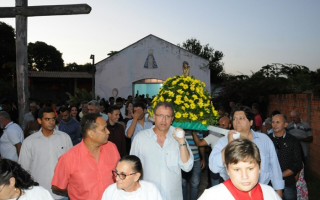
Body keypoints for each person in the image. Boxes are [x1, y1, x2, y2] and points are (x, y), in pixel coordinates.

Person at [209, 105, 284, 197]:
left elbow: (274, 167)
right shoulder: (223, 141)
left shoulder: (264, 140)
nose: (237, 122)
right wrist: (229, 145)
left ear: (251, 122)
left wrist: (279, 191)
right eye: (234, 119)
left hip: (261, 191)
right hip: (233, 193)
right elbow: (213, 167)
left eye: (241, 118)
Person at [130, 102, 194, 200]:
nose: (163, 120)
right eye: (160, 115)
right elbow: (132, 169)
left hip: (172, 196)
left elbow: (187, 167)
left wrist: (181, 141)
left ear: (172, 119)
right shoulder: (140, 138)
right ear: (154, 117)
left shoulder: (178, 137)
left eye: (167, 116)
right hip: (147, 196)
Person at [51, 113, 120, 200]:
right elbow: (57, 186)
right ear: (91, 133)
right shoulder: (68, 158)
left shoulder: (112, 148)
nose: (108, 131)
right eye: (103, 129)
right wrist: (75, 192)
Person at [18, 107, 73, 199]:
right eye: (47, 119)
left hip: (62, 193)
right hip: (39, 193)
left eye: (53, 119)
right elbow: (23, 168)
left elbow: (72, 164)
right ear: (39, 121)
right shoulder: (29, 142)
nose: (51, 122)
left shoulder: (64, 138)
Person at [199, 139, 281, 200]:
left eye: (250, 168)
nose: (244, 176)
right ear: (227, 170)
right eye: (237, 170)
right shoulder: (212, 196)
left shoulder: (269, 193)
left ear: (259, 167)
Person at [269, 114, 303, 200]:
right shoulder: (267, 140)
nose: (274, 125)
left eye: (278, 122)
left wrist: (280, 175)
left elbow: (297, 164)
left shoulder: (293, 141)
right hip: (269, 183)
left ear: (285, 124)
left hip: (288, 182)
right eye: (273, 122)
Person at [192, 116, 231, 187]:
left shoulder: (234, 137)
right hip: (215, 171)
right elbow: (199, 143)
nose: (221, 127)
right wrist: (193, 132)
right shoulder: (213, 136)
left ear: (229, 125)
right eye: (220, 125)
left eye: (223, 125)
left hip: (229, 171)